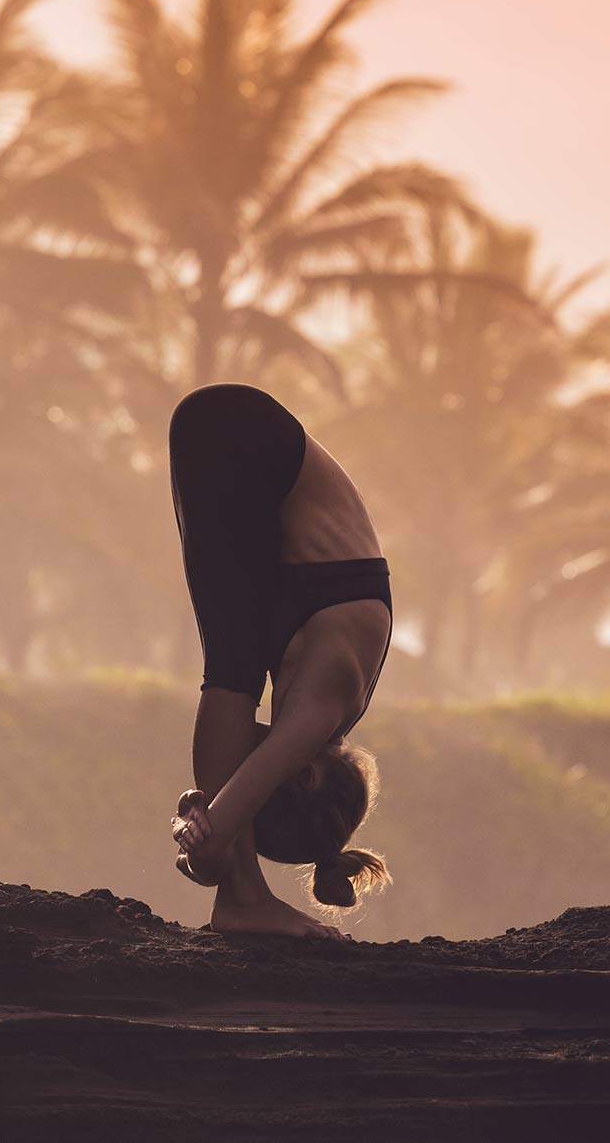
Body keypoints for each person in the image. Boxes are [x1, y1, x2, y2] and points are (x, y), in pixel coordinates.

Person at [163, 382, 395, 940]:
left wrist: (197, 823)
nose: (246, 768)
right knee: (230, 678)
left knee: (231, 672)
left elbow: (214, 827)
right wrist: (206, 840)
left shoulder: (322, 702)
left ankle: (240, 895)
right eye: (261, 788)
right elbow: (214, 844)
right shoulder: (323, 705)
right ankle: (242, 898)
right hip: (245, 436)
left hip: (236, 438)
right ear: (309, 773)